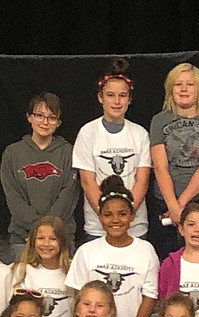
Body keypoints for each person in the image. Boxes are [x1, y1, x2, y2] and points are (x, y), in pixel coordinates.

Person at [65, 176, 159, 317]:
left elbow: (150, 297)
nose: (115, 220)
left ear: (133, 216)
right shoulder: (87, 252)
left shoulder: (145, 250)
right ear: (99, 217)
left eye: (122, 214)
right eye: (108, 215)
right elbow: (77, 297)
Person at [148, 63, 199, 261]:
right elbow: (160, 166)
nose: (183, 89)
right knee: (168, 262)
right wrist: (172, 206)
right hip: (165, 204)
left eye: (190, 84)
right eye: (178, 84)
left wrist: (181, 207)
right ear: (170, 89)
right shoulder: (159, 120)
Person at [75, 58, 151, 242]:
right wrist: (108, 217)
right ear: (100, 97)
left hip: (135, 226)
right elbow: (87, 182)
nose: (116, 102)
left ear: (129, 99)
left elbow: (142, 180)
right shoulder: (88, 133)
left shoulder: (140, 133)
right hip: (98, 227)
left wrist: (126, 216)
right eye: (110, 95)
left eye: (122, 96)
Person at [1, 92, 78, 257]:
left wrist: (49, 232)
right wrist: (37, 231)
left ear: (58, 123)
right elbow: (13, 197)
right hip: (23, 238)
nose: (45, 122)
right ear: (29, 117)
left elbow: (68, 196)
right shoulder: (12, 153)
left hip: (61, 237)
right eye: (39, 115)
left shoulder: (69, 152)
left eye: (51, 117)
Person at [12, 216, 75, 317]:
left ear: (62, 242)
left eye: (53, 239)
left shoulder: (72, 270)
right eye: (40, 238)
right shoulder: (23, 270)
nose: (46, 244)